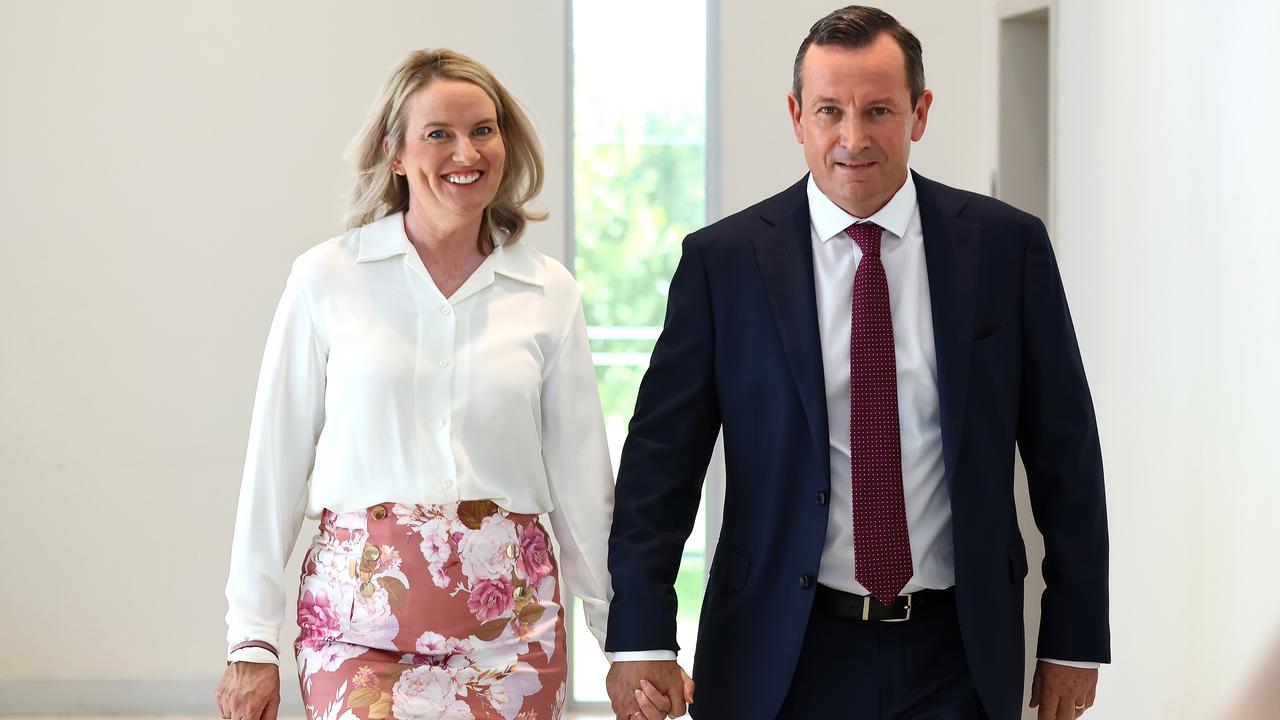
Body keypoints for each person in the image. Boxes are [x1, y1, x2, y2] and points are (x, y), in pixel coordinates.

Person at [604, 6, 1109, 720]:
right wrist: (638, 636)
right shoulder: (725, 263)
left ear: (919, 112)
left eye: (878, 111)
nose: (853, 138)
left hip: (957, 652)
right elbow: (661, 463)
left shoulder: (1004, 250)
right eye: (829, 111)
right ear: (796, 115)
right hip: (778, 651)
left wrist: (1073, 640)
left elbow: (1068, 457)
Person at [215, 48, 628, 720]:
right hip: (356, 630)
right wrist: (251, 640)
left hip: (513, 633)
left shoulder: (549, 292)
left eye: (483, 130)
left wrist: (624, 641)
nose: (466, 151)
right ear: (396, 154)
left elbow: (583, 484)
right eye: (439, 133)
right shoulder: (327, 278)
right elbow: (274, 467)